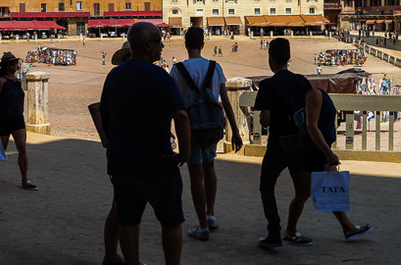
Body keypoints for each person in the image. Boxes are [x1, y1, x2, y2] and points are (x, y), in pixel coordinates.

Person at [253, 37, 371, 249]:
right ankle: (340, 226)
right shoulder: (301, 81)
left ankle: (275, 233)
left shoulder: (267, 85)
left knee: (266, 187)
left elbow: (266, 120)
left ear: (270, 59)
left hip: (277, 146)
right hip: (300, 146)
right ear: (289, 58)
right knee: (303, 191)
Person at [100, 22, 189, 264]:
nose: (162, 46)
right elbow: (181, 116)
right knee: (170, 220)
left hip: (122, 161)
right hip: (156, 160)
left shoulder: (114, 76)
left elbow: (104, 116)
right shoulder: (158, 75)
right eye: (160, 41)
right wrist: (185, 153)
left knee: (128, 219)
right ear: (147, 45)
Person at [169, 27, 243, 241]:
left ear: (185, 45)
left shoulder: (177, 70)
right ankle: (210, 214)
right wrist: (235, 131)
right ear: (203, 44)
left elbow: (173, 104)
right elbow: (226, 102)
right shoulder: (215, 67)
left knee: (195, 175)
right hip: (212, 126)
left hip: (190, 129)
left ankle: (202, 226)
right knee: (210, 167)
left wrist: (169, 132)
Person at [0, 52, 37, 190]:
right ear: (6, 66)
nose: (14, 65)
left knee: (22, 148)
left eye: (15, 63)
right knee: (2, 149)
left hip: (17, 119)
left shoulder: (17, 81)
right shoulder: (1, 82)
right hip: (3, 119)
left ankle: (25, 180)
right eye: (11, 63)